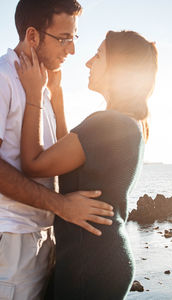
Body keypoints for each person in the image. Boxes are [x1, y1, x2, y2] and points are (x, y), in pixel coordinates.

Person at [16, 30, 158, 299]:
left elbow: (34, 164)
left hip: (89, 263)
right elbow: (65, 156)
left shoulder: (107, 123)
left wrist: (34, 95)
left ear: (118, 67)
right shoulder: (129, 122)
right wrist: (55, 96)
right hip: (103, 259)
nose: (88, 62)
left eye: (99, 55)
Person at [0, 1, 114, 299]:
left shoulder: (40, 83)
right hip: (11, 238)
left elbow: (59, 156)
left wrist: (56, 94)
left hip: (40, 236)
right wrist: (62, 206)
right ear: (33, 36)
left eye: (74, 38)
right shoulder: (3, 78)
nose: (72, 50)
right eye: (64, 38)